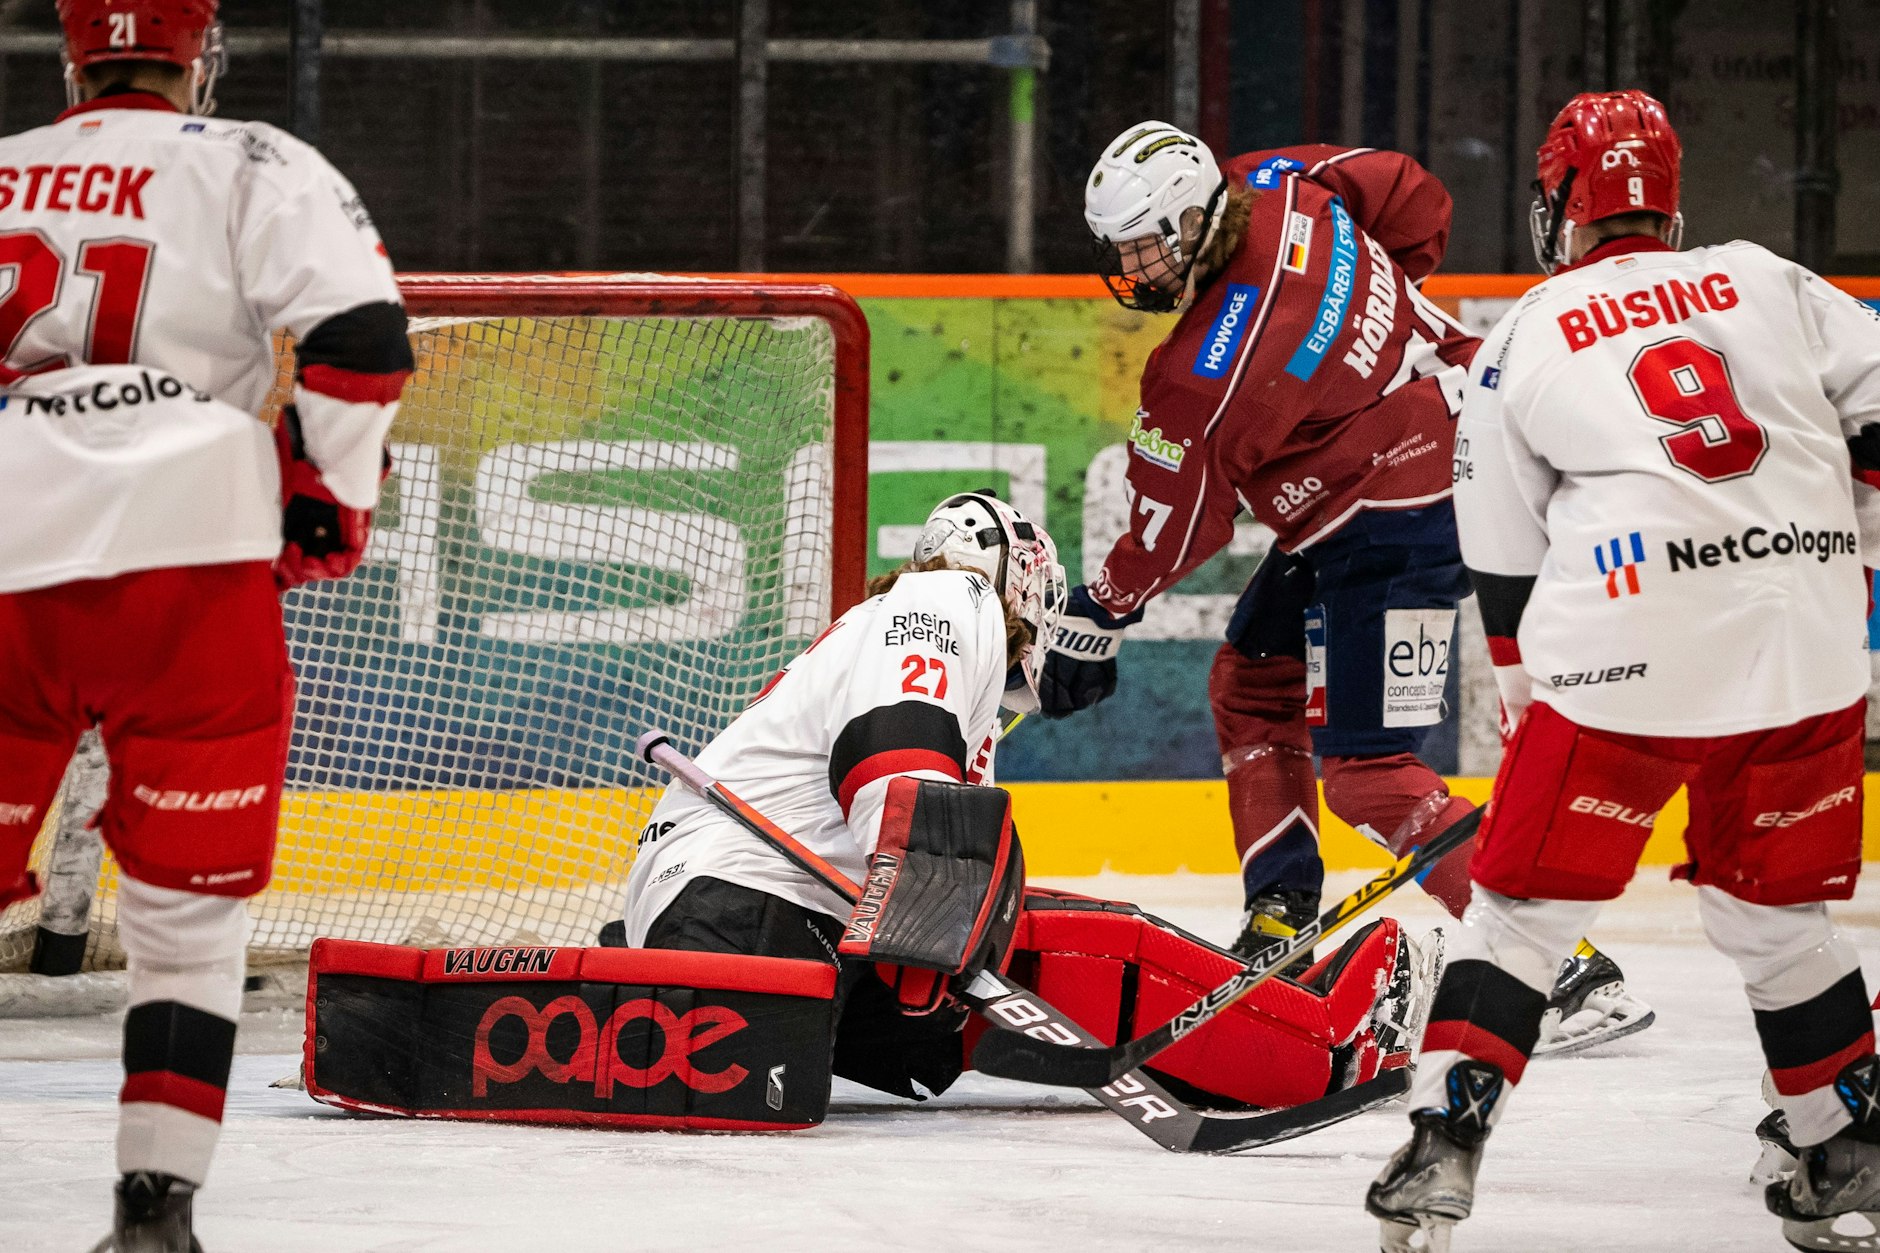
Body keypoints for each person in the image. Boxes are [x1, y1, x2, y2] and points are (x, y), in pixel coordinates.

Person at [1367, 89, 1880, 1253]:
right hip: (1803, 641)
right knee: (1779, 920)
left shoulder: (1524, 334)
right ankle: (1843, 1151)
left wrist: (1523, 696)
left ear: (1559, 207)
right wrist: (1827, 529)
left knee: (1516, 917)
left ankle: (1440, 1148)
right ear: (1667, 197)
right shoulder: (1768, 277)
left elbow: (1499, 555)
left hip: (1624, 650)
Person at [1048, 120, 1647, 1046]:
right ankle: (1281, 917)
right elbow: (1413, 195)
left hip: (1401, 522)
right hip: (1455, 451)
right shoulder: (1280, 180)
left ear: (1187, 218)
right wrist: (1374, 314)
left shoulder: (1202, 371)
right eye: (1117, 249)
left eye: (1143, 245)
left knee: (1369, 774)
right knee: (1252, 681)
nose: (1132, 269)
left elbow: (1178, 520)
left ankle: (1559, 969)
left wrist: (1102, 610)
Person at [0, 2, 413, 1247]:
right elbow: (360, 339)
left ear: (74, 57)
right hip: (191, 555)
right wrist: (321, 494)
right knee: (188, 916)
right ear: (199, 58)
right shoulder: (251, 163)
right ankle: (154, 1209)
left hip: (8, 550)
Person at [615, 492, 1436, 1113]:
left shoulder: (891, 629)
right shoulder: (950, 601)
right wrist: (923, 913)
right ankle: (1319, 1039)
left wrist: (931, 918)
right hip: (746, 912)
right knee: (1088, 945)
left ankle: (1277, 1034)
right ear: (1023, 585)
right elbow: (892, 755)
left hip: (743, 920)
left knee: (1034, 939)